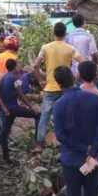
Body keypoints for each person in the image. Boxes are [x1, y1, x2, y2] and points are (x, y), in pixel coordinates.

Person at [52, 66, 98, 196]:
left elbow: (60, 135)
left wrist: (83, 148)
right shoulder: (94, 98)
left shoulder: (58, 105)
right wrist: (93, 150)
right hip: (93, 159)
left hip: (71, 160)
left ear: (58, 84)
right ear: (74, 77)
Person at [31, 22, 83, 151]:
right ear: (65, 34)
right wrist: (75, 78)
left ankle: (39, 144)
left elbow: (35, 66)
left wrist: (40, 81)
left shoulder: (45, 47)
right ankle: (65, 142)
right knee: (67, 115)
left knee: (45, 117)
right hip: (66, 89)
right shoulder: (70, 48)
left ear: (54, 33)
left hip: (50, 89)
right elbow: (83, 62)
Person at [0, 59, 40, 163]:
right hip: (13, 108)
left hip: (7, 109)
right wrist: (31, 107)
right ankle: (38, 142)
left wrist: (3, 107)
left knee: (4, 132)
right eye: (18, 65)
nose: (19, 67)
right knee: (38, 115)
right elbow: (21, 95)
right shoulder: (15, 79)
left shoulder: (2, 78)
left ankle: (5, 157)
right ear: (15, 67)